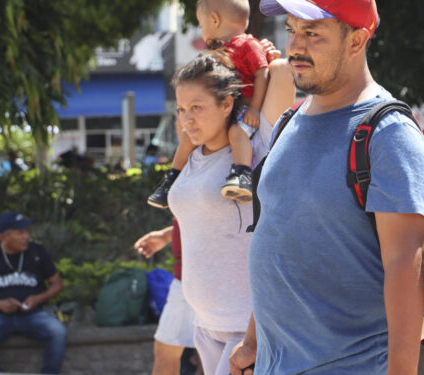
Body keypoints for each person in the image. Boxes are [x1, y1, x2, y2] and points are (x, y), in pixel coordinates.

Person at [229, 1, 424, 374]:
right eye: (292, 31)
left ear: (356, 40)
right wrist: (253, 342)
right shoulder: (288, 121)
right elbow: (277, 239)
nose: (295, 47)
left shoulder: (388, 134)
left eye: (312, 33)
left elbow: (405, 267)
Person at [165, 51, 288, 375]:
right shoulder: (191, 152)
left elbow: (284, 71)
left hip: (246, 327)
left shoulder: (254, 146)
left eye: (196, 108)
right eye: (181, 110)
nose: (186, 119)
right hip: (204, 323)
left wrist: (261, 57)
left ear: (226, 105)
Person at [147, 0, 294, 208]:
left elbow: (263, 74)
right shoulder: (217, 50)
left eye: (201, 23)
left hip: (244, 108)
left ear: (214, 19)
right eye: (182, 110)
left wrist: (254, 107)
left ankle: (242, 173)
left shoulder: (248, 44)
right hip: (235, 109)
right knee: (189, 137)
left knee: (237, 132)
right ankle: (172, 177)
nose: (202, 30)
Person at [0, 211, 66, 374]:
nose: (26, 236)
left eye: (27, 231)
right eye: (20, 233)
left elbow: (57, 285)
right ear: (4, 237)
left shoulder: (37, 252)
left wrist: (38, 299)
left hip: (33, 314)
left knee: (58, 331)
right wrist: (0, 305)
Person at [133, 220, 200, 375]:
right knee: (166, 349)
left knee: (223, 355)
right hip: (185, 278)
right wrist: (167, 235)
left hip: (224, 277)